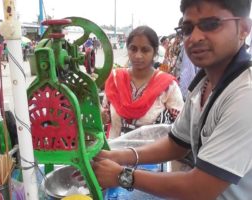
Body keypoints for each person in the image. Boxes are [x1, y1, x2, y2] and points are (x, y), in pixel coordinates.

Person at [93, 0, 252, 199]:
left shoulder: (245, 95)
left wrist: (121, 175)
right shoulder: (203, 84)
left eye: (210, 24)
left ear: (244, 28)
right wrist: (117, 155)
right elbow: (176, 144)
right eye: (187, 28)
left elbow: (200, 188)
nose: (194, 37)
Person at [101, 26, 184, 139]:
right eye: (133, 49)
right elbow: (105, 118)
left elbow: (181, 126)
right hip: (115, 153)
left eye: (145, 50)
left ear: (154, 52)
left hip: (151, 155)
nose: (138, 55)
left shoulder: (168, 86)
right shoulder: (115, 80)